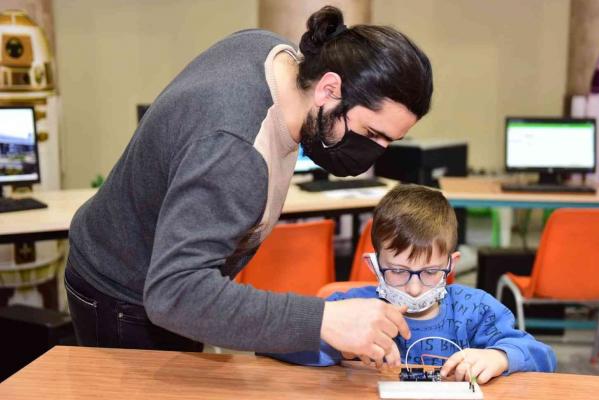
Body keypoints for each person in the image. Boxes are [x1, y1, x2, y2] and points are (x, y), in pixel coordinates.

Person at [63, 5, 432, 366]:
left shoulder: (273, 54)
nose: (376, 151)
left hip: (151, 274)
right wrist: (324, 321)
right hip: (123, 294)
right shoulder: (234, 151)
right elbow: (175, 293)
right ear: (329, 89)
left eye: (390, 141)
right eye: (371, 133)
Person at [268, 185, 556, 384]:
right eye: (398, 271)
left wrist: (499, 357)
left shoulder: (475, 309)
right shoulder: (351, 309)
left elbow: (543, 356)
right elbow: (274, 344)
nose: (415, 289)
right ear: (374, 266)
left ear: (451, 265)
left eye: (430, 272)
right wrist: (337, 347)